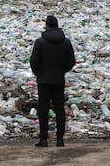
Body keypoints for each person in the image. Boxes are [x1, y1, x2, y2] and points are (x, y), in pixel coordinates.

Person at [30, 15, 76, 147]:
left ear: (47, 26)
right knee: (59, 109)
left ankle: (43, 139)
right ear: (57, 25)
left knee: (43, 109)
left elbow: (34, 61)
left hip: (43, 81)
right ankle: (60, 140)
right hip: (58, 80)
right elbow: (71, 61)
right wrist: (62, 71)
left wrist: (38, 73)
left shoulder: (40, 42)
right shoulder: (66, 42)